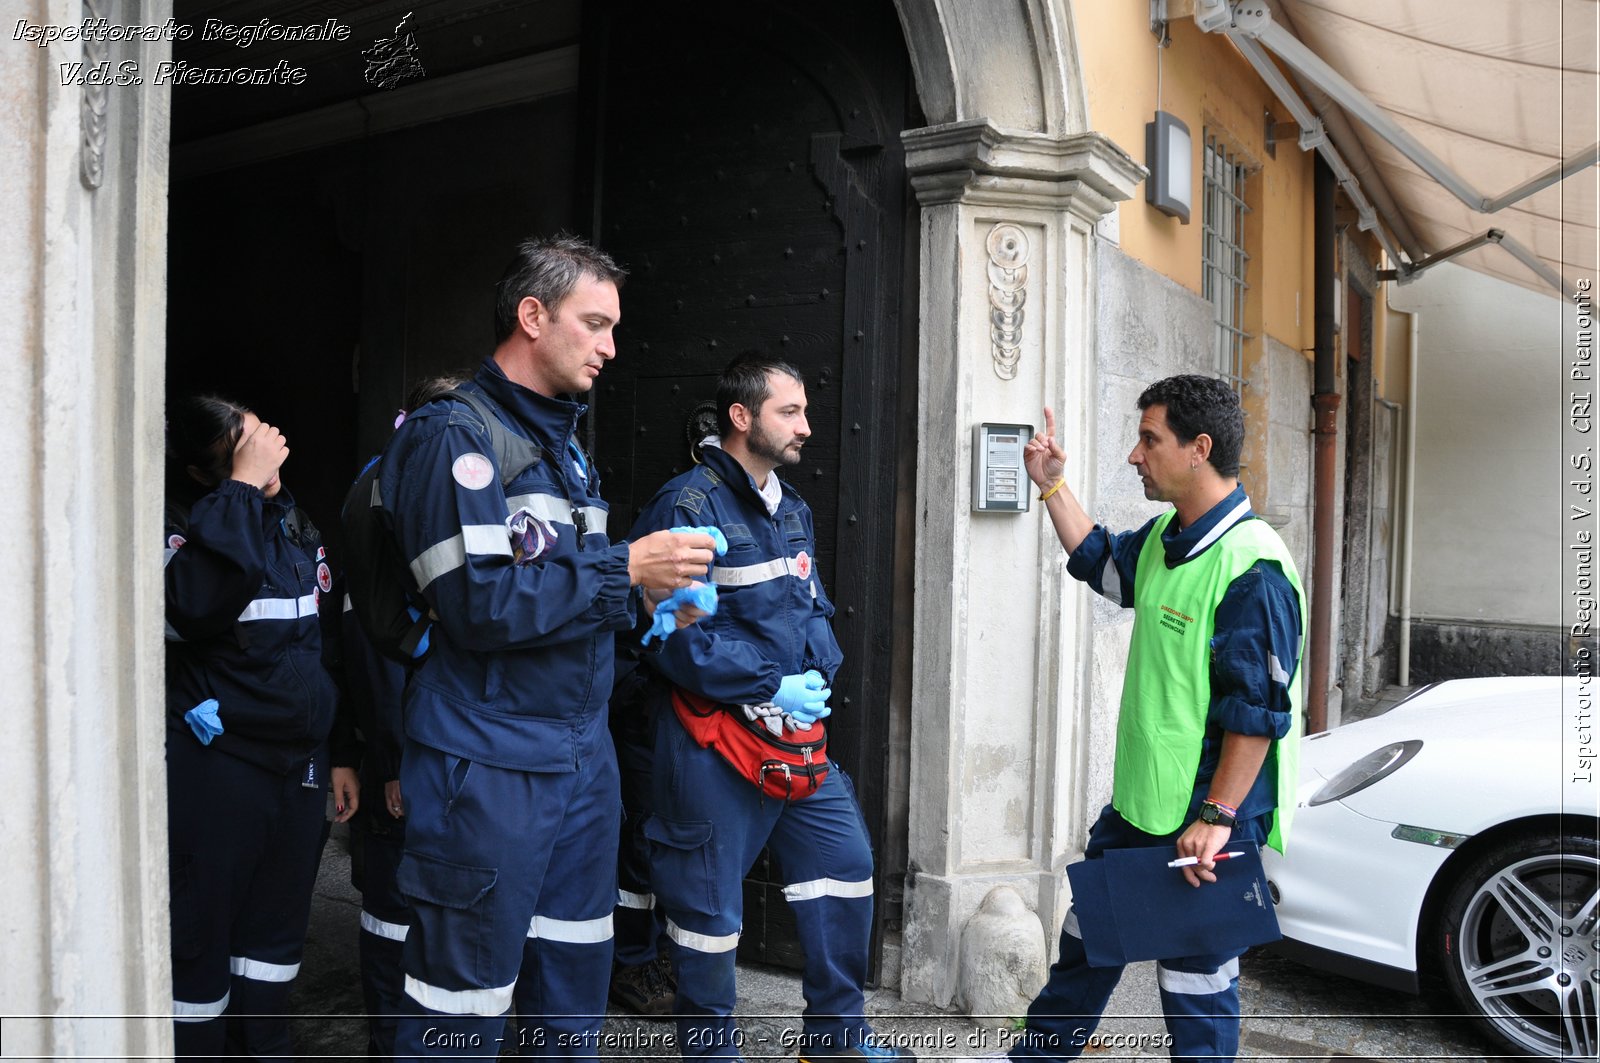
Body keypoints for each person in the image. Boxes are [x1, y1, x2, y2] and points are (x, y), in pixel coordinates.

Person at [376, 235, 719, 1060]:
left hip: (581, 764)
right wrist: (623, 566)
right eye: (595, 324)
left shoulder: (566, 448)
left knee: (568, 1003)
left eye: (613, 328)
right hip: (486, 767)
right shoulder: (451, 435)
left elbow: (575, 599)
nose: (611, 347)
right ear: (533, 316)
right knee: (460, 1007)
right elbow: (473, 604)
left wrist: (648, 609)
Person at [1006, 375, 1306, 1062]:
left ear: (1199, 448)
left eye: (1150, 439)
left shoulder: (1251, 569)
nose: (1136, 455)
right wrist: (1052, 485)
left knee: (1196, 989)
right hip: (1141, 809)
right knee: (1085, 947)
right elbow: (1101, 562)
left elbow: (1256, 714)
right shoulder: (1173, 537)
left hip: (1205, 821)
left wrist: (1219, 816)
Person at [628, 352, 909, 1063]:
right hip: (711, 744)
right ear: (741, 416)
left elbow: (808, 611)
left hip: (792, 740)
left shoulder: (794, 507)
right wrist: (765, 684)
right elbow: (671, 638)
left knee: (844, 868)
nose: (808, 426)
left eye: (807, 411)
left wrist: (816, 675)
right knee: (707, 920)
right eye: (791, 411)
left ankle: (836, 1043)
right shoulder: (685, 507)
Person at [163, 395, 359, 1058]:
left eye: (258, 438)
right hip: (223, 763)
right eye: (240, 449)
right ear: (204, 471)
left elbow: (322, 645)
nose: (263, 455)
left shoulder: (294, 521)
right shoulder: (184, 526)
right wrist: (241, 488)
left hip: (299, 767)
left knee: (274, 942)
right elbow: (195, 605)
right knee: (200, 936)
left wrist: (338, 751)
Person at [342, 375, 468, 1061]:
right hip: (402, 754)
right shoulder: (383, 501)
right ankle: (391, 1043)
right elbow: (374, 653)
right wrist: (391, 761)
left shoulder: (424, 493)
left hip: (435, 747)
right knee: (392, 914)